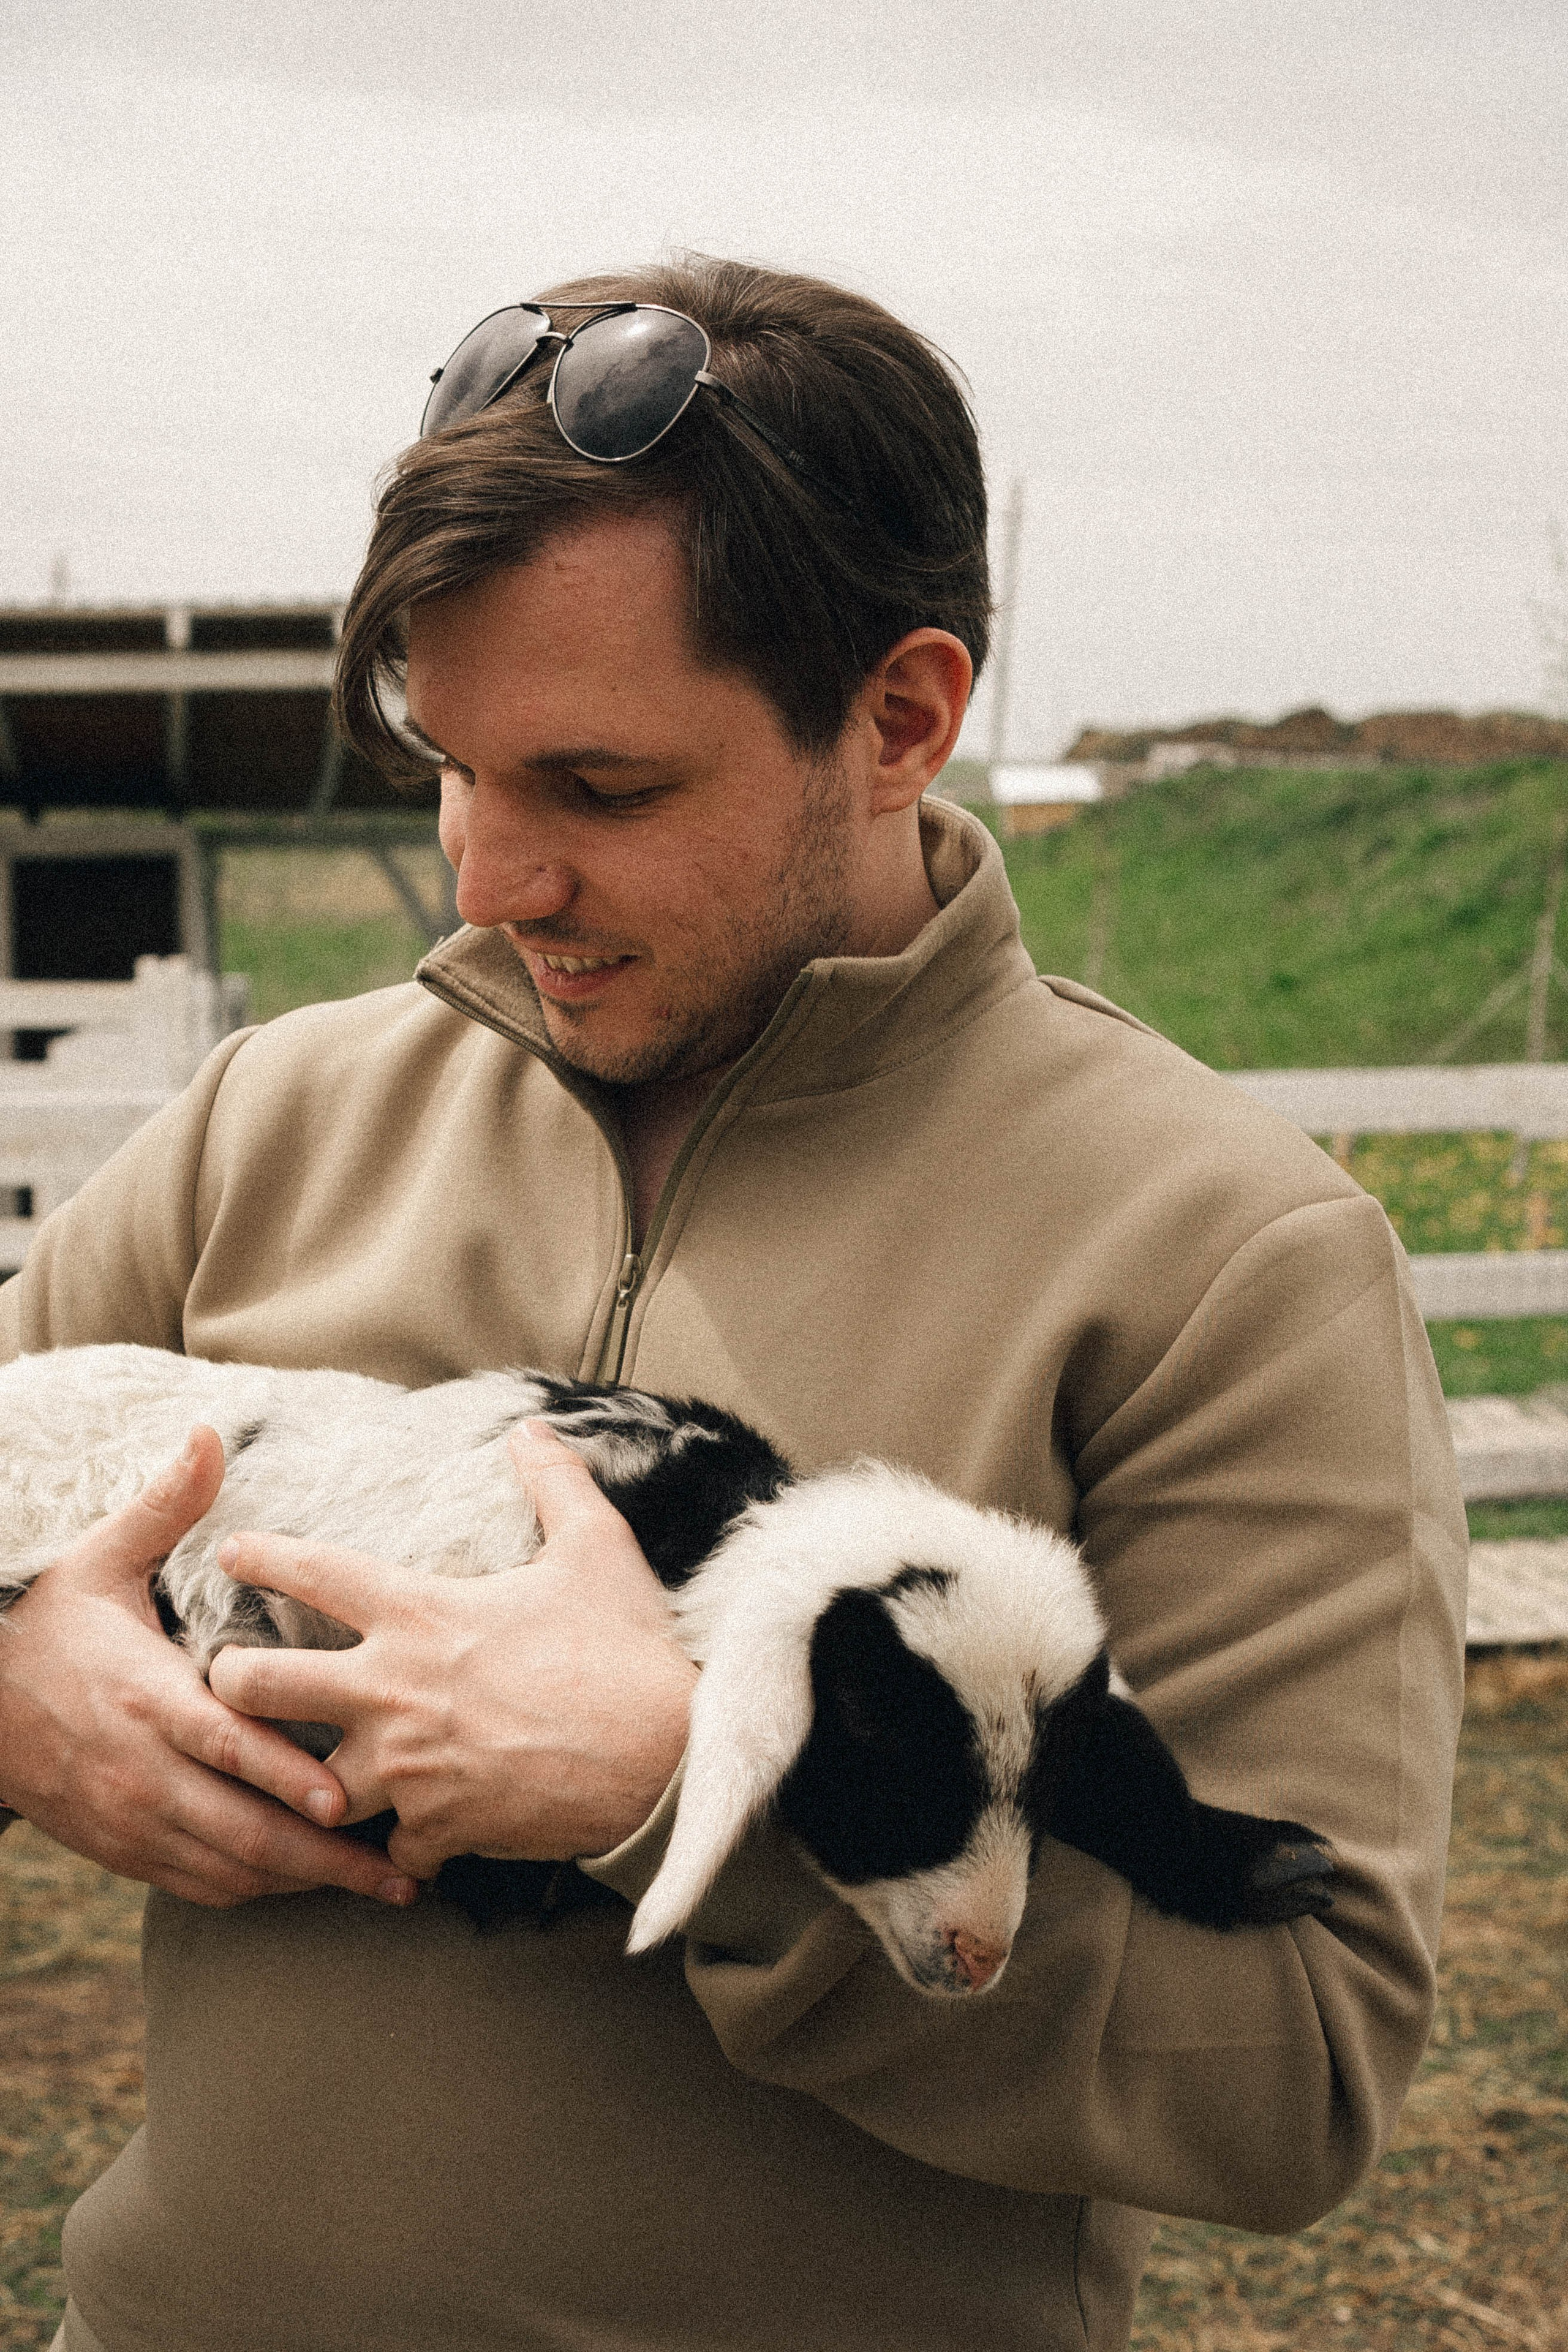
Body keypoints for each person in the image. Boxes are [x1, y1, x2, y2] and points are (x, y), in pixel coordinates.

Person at [0, 258, 1466, 2352]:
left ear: (901, 718)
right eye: (451, 764)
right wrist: (16, 1680)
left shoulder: (1227, 1258)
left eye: (599, 789)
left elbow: (1295, 2072)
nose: (486, 878)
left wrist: (694, 1799)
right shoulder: (270, 1122)